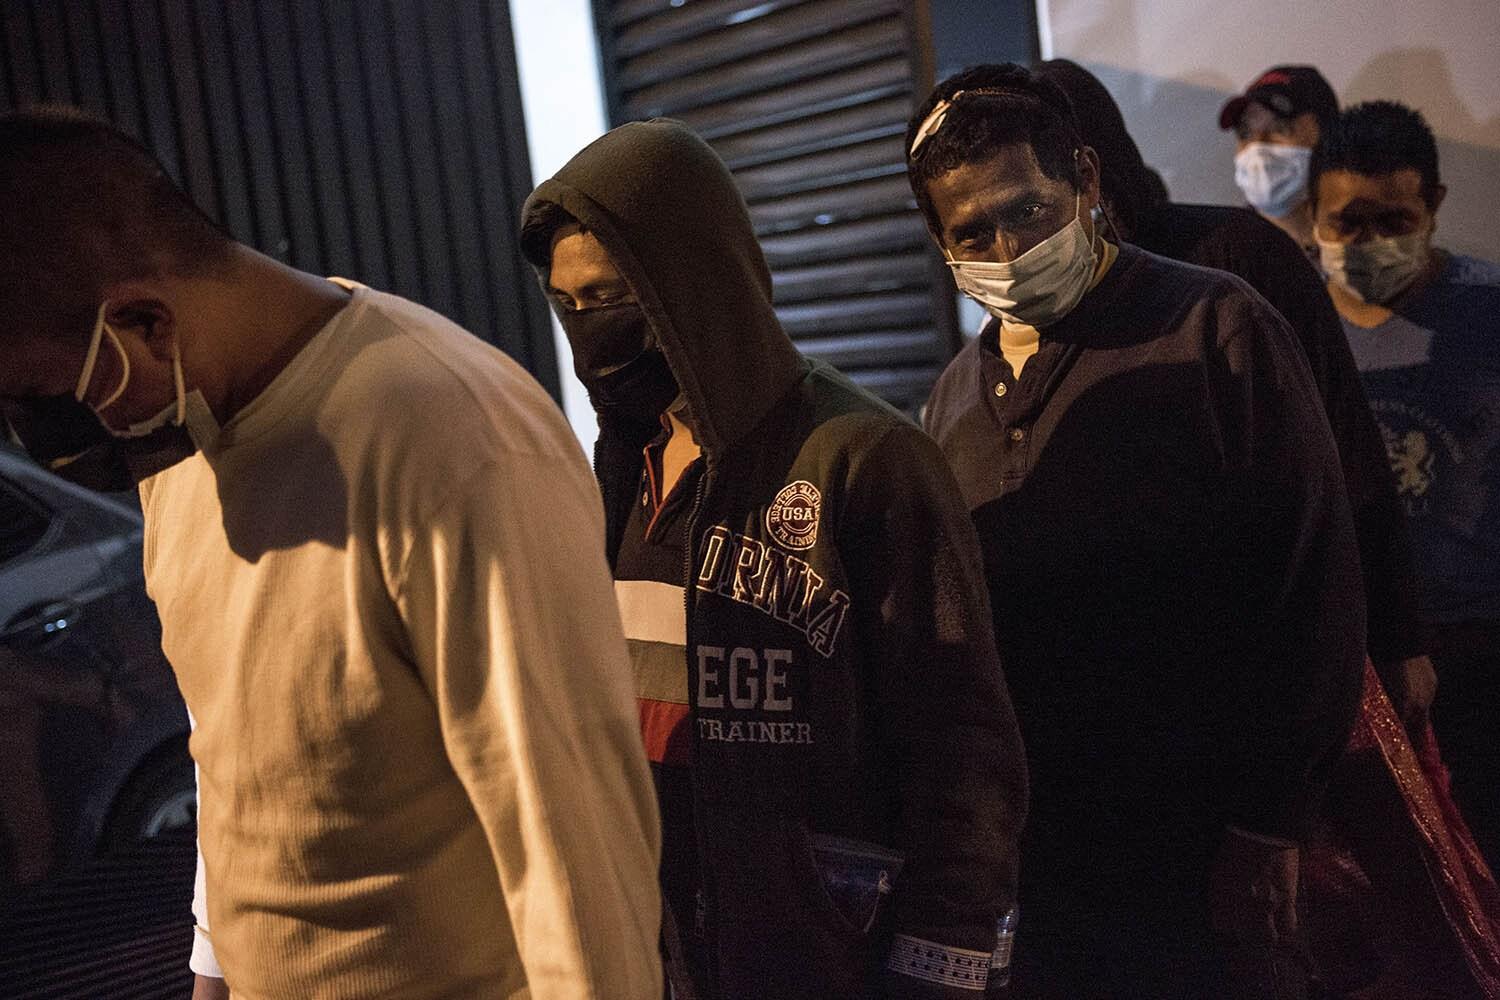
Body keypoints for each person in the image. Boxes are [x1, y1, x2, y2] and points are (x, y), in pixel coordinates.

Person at [0, 107, 663, 999]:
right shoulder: (177, 438)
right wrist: (213, 969)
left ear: (147, 325)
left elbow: (575, 856)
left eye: (40, 393)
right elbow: (237, 764)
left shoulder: (452, 442)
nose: (39, 433)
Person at [520, 119, 1028, 1000]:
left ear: (694, 284)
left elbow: (962, 749)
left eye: (609, 296)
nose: (587, 331)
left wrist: (942, 965)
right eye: (568, 305)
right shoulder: (613, 477)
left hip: (832, 954)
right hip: (668, 949)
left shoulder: (863, 457)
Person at [906, 64, 1366, 997]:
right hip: (1049, 877)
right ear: (939, 241)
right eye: (973, 232)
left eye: (1029, 211)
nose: (1009, 247)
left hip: (1208, 860)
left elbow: (1314, 582)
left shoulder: (1213, 329)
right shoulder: (953, 402)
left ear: (1085, 178)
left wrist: (1269, 824)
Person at [1036, 57, 1433, 729]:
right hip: (1153, 677)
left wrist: (1397, 638)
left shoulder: (1235, 252)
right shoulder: (1043, 302)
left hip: (1286, 639)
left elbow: (1346, 445)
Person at [1311, 99, 1500, 872]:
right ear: (1314, 214)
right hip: (1356, 667)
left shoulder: (1487, 311)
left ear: (1436, 207)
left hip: (1480, 648)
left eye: (1395, 221)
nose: (1370, 245)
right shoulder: (1290, 324)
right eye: (1347, 223)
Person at [1219, 65, 1339, 257]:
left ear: (1328, 136)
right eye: (1245, 133)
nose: (1257, 148)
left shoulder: (1361, 242)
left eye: (1280, 129)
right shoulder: (1228, 253)